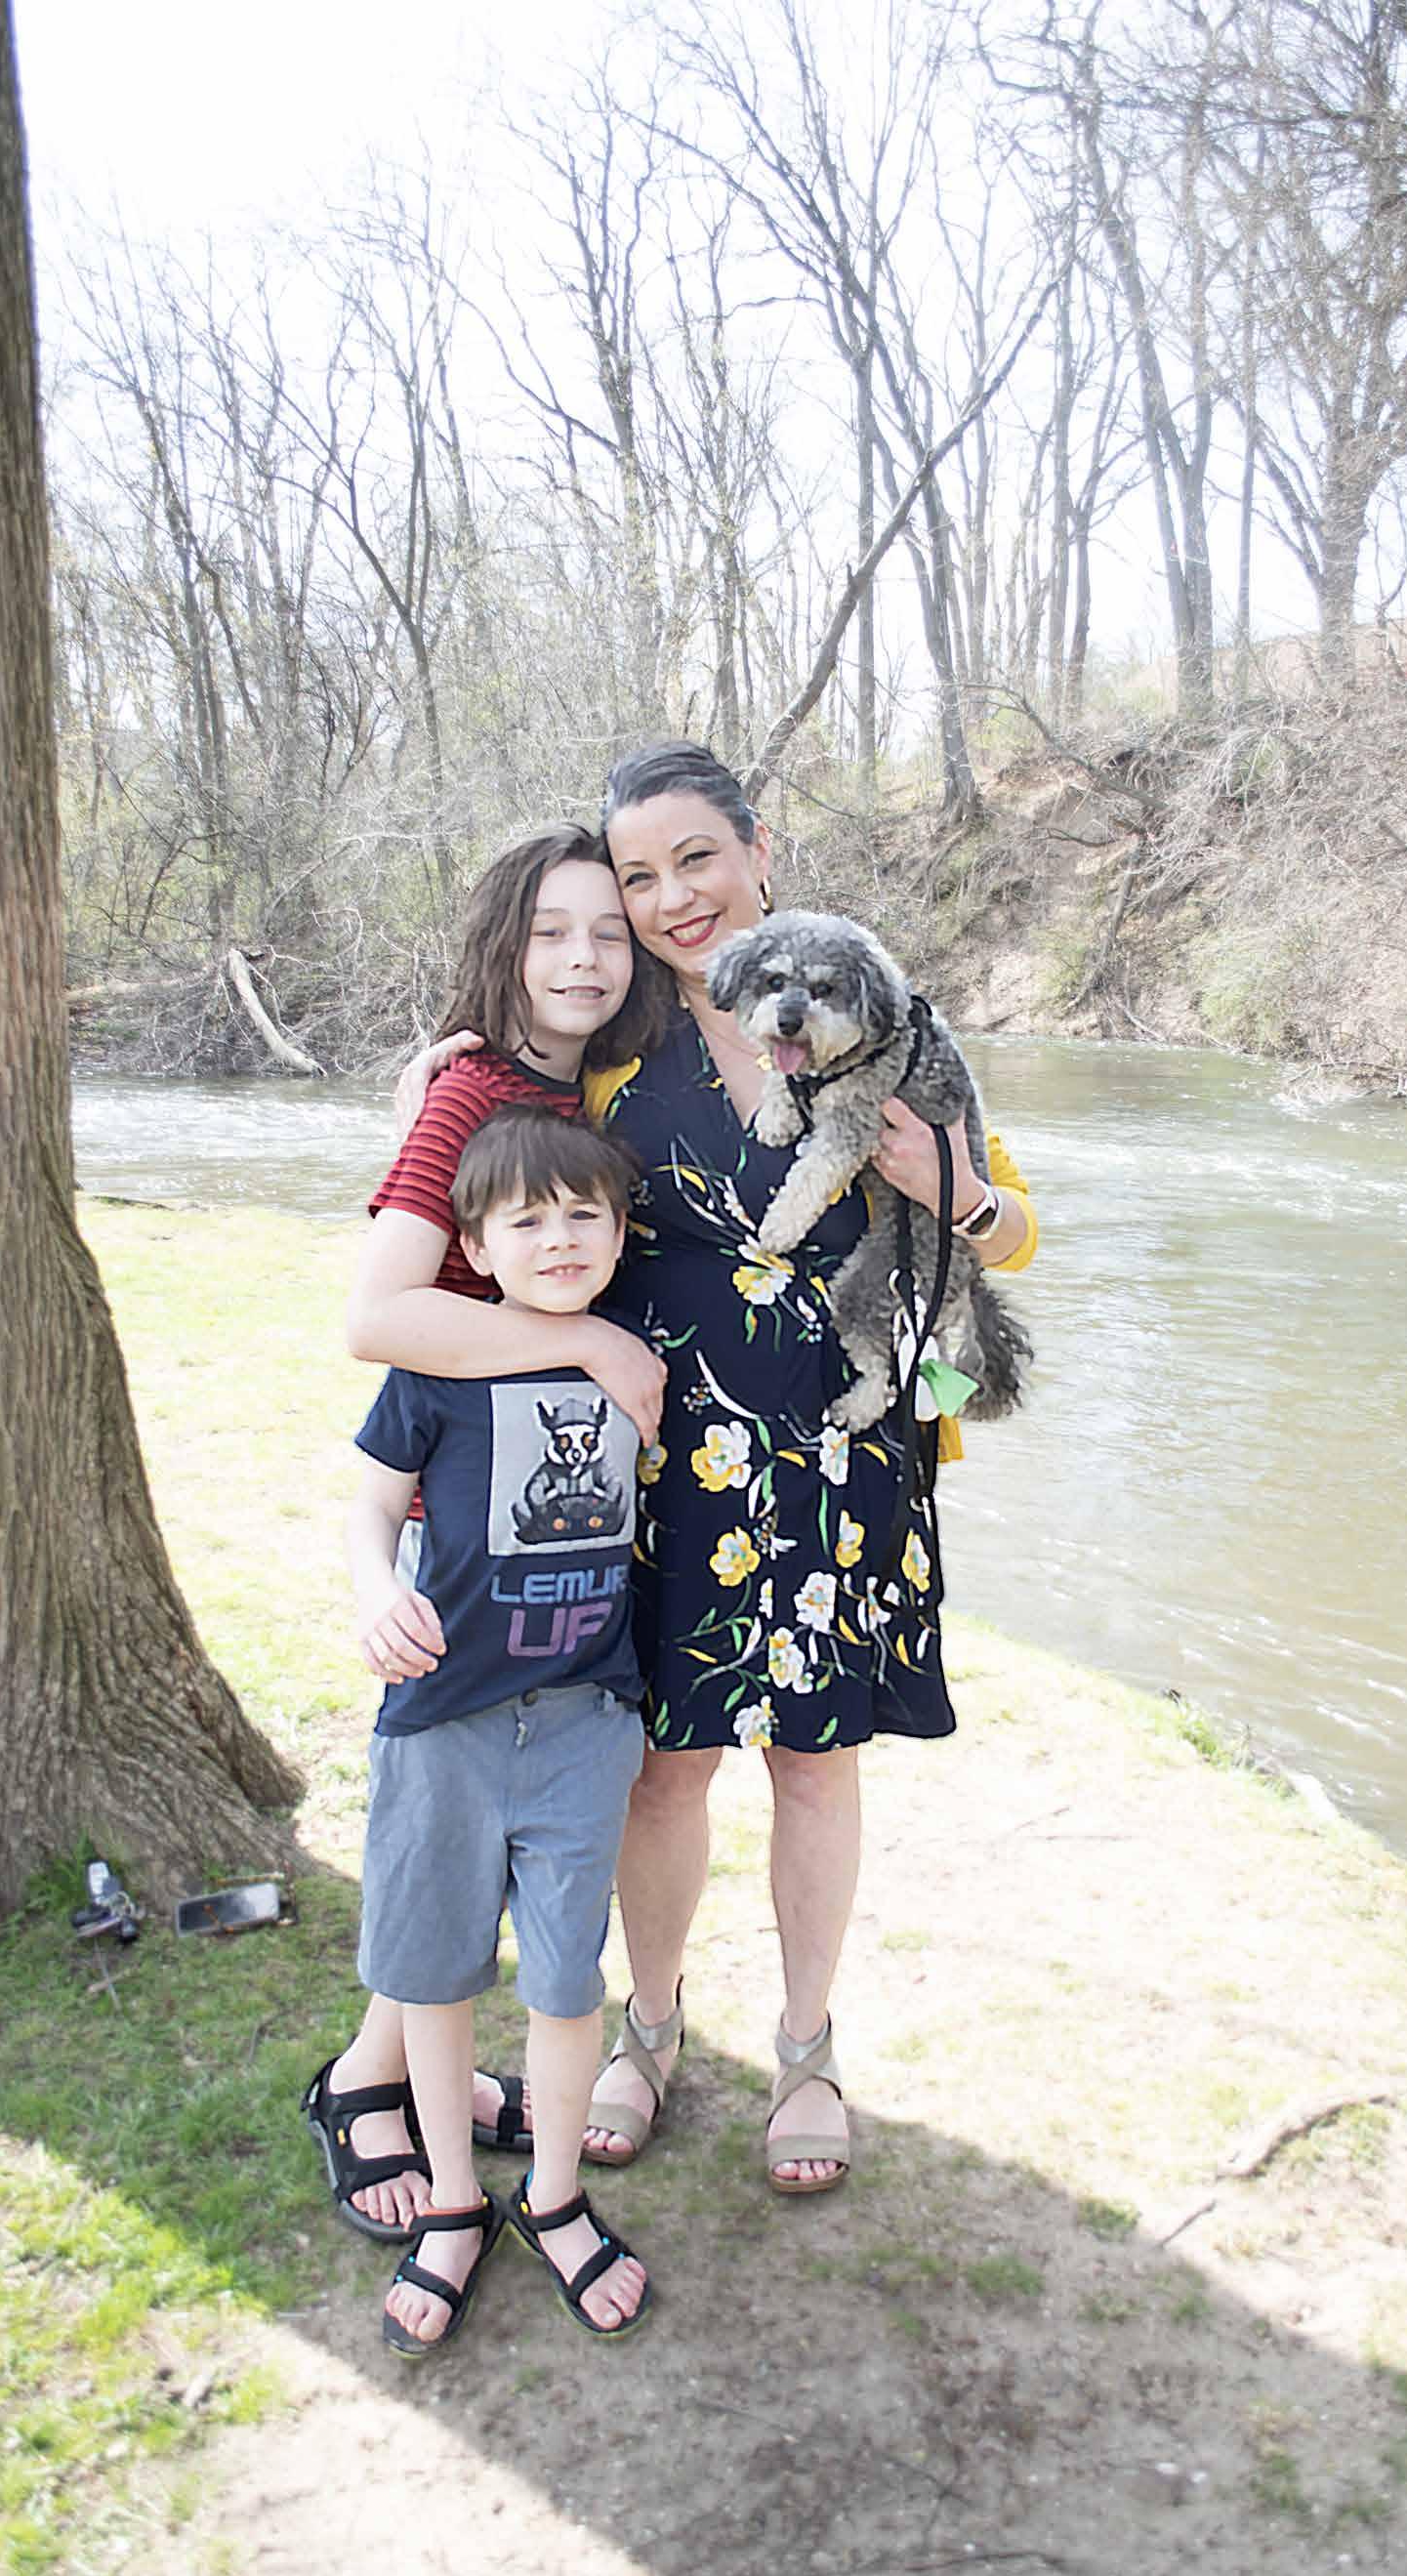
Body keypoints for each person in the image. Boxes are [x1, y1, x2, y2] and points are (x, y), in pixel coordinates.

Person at [395, 745, 1038, 2197]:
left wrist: (960, 1195)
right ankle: (651, 2025)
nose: (673, 897)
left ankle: (807, 2048)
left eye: (697, 858)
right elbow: (500, 1154)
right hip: (666, 1459)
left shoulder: (876, 1014)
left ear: (759, 851)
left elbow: (1011, 1230)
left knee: (815, 1760)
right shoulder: (613, 1049)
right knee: (663, 1767)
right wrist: (444, 1074)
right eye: (639, 875)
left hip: (846, 1449)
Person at [301, 822, 671, 2248]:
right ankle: (367, 2081)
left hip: (550, 1534)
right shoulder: (473, 1088)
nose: (582, 958)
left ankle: (407, 2071)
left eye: (607, 932)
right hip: (463, 1513)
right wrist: (583, 1343)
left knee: (482, 1849)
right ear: (505, 943)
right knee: (443, 1841)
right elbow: (378, 1315)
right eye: (550, 931)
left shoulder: (572, 1087)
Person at [344, 1105, 653, 2351]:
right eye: (526, 1220)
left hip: (585, 1723)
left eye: (584, 1214)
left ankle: (557, 2196)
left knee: (569, 1979)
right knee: (433, 1974)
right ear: (474, 1246)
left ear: (621, 1234)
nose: (560, 1238)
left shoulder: (636, 1365)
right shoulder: (435, 1367)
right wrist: (374, 1589)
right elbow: (372, 1510)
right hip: (443, 1720)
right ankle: (453, 2202)